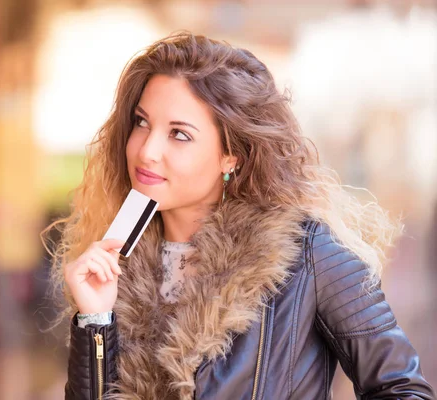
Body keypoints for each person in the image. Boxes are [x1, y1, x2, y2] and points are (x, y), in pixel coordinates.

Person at [46, 33, 435, 400]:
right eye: (142, 122)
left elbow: (404, 390)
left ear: (231, 156)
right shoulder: (115, 266)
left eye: (179, 134)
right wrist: (95, 322)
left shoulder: (306, 255)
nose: (147, 150)